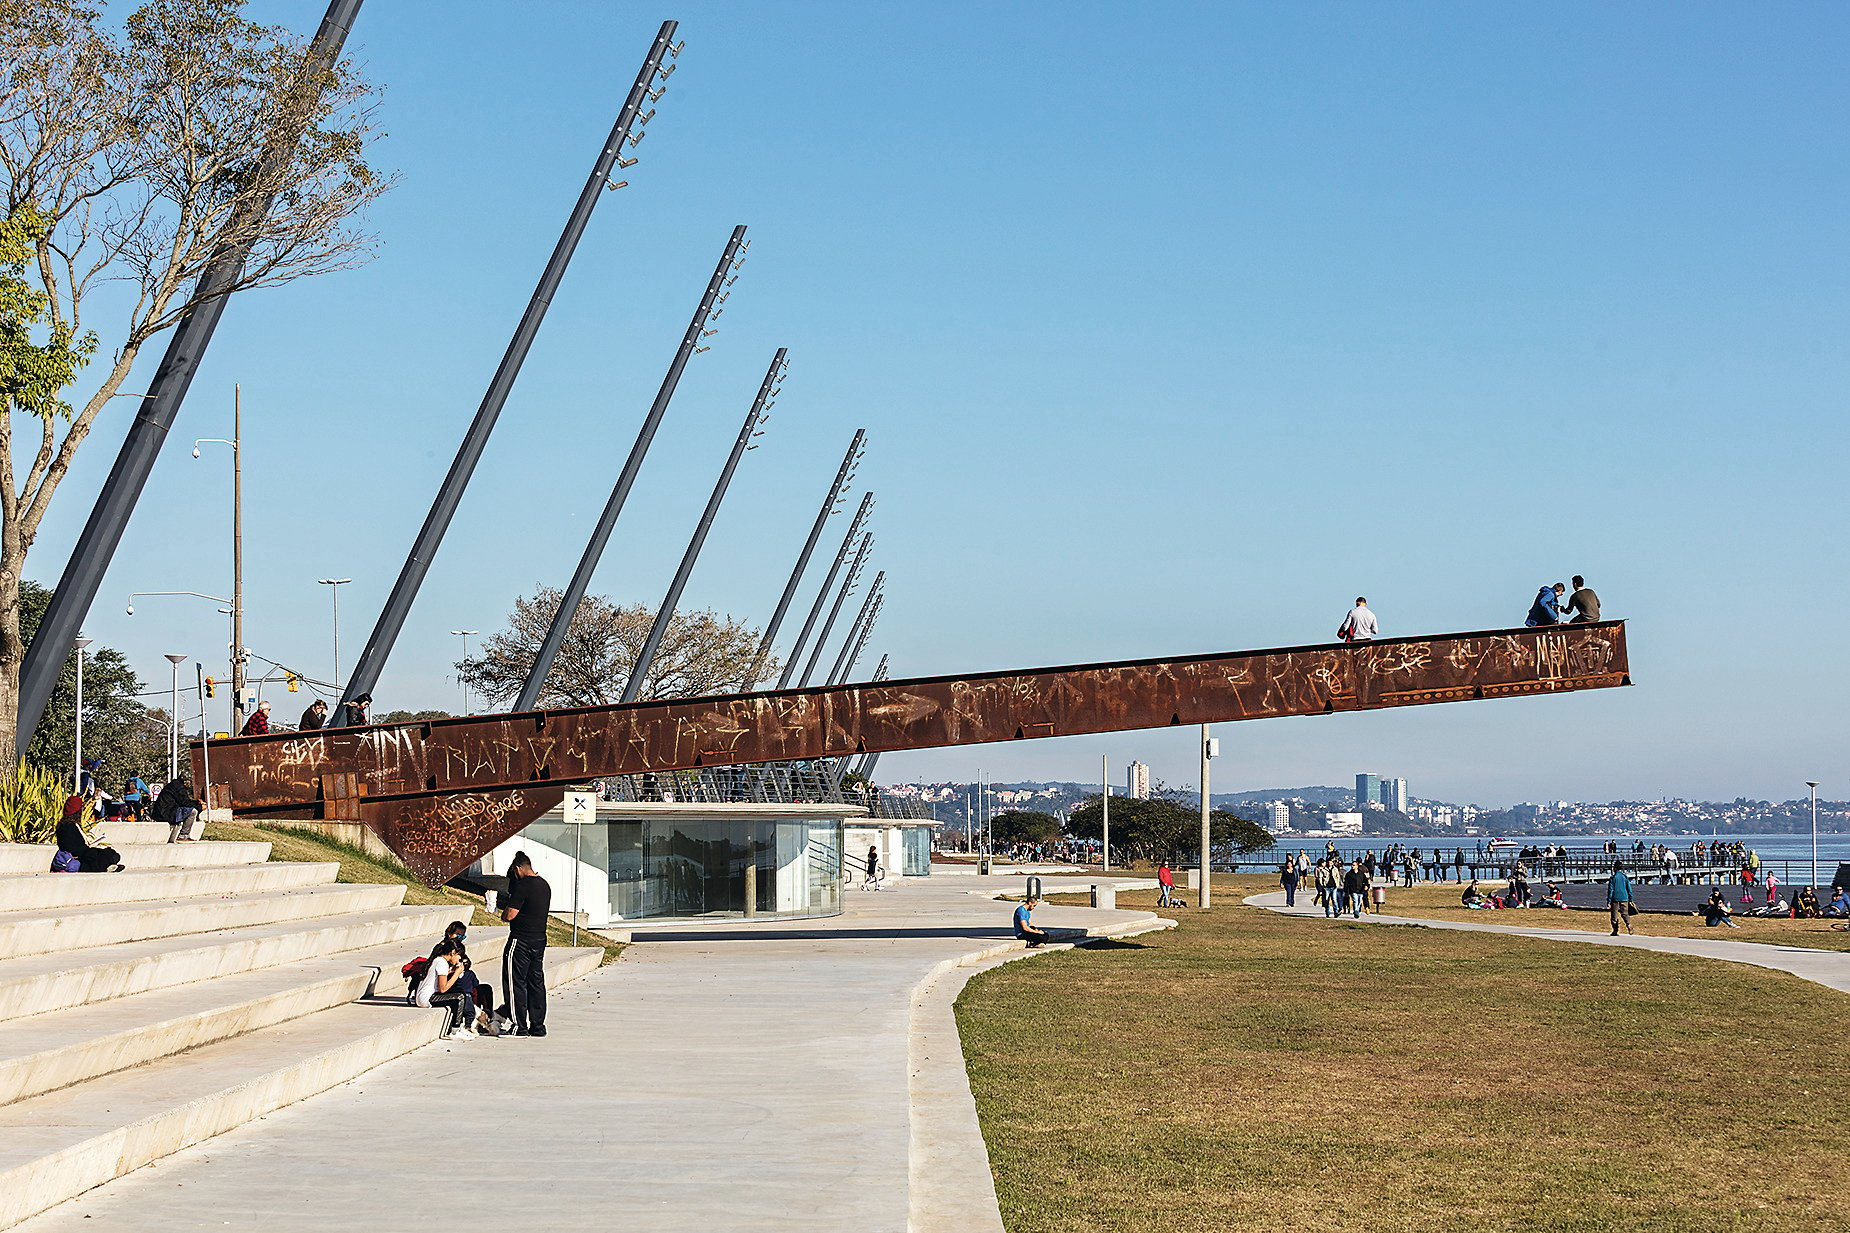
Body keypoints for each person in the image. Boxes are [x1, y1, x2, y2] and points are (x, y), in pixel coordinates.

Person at [501, 851, 551, 1037]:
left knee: (515, 983)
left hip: (520, 940)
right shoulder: (544, 885)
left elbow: (510, 915)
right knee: (536, 982)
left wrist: (503, 908)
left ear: (518, 869)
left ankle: (518, 1026)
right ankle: (538, 1026)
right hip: (539, 939)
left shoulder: (523, 886)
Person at [427, 919, 497, 1033]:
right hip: (449, 980)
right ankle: (471, 1018)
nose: (459, 939)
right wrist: (454, 970)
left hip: (460, 976)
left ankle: (488, 1017)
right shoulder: (442, 949)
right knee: (467, 984)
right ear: (449, 933)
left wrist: (462, 964)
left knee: (485, 988)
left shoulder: (458, 948)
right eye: (458, 935)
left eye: (463, 937)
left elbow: (467, 963)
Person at [415, 937, 477, 1040]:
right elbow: (443, 989)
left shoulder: (438, 960)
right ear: (453, 952)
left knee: (458, 993)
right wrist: (457, 973)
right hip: (427, 999)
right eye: (458, 955)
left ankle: (459, 1027)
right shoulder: (442, 962)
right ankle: (454, 1031)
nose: (459, 959)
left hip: (423, 997)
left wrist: (452, 972)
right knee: (460, 997)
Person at [55, 795, 123, 872]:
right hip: (80, 857)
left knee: (110, 854)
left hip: (83, 853)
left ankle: (109, 866)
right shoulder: (68, 826)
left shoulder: (66, 824)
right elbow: (74, 848)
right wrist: (90, 848)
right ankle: (106, 867)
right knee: (109, 855)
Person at [152, 773, 204, 843]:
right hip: (166, 813)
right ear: (187, 781)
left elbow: (183, 801)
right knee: (193, 811)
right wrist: (200, 807)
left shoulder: (174, 785)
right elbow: (185, 803)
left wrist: (197, 802)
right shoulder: (179, 787)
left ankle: (185, 835)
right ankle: (183, 836)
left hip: (163, 812)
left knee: (190, 810)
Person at [1606, 864, 1634, 935]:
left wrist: (1609, 901)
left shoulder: (1613, 878)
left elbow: (1611, 890)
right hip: (1624, 898)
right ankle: (1629, 925)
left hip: (1615, 898)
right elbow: (1629, 889)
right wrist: (1630, 898)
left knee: (1614, 916)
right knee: (1625, 914)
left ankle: (1615, 930)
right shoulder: (1625, 877)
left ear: (1615, 868)